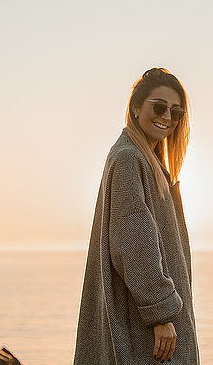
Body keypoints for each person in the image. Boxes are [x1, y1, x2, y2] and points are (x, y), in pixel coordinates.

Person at [73, 68, 200, 364]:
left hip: (142, 323)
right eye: (159, 106)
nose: (167, 116)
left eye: (176, 111)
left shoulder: (146, 159)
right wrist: (160, 313)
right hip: (145, 329)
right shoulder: (130, 158)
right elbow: (133, 239)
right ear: (135, 107)